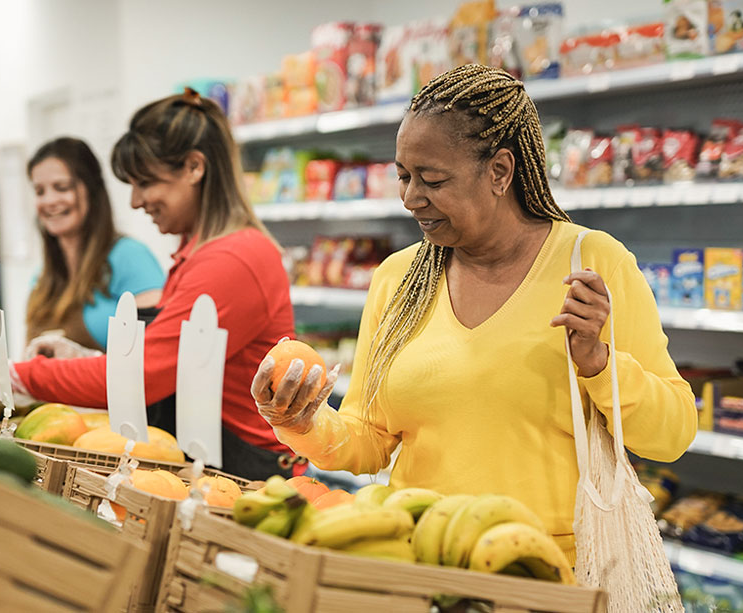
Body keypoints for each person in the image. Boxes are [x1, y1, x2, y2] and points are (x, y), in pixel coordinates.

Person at [251, 64, 698, 562]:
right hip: (415, 560)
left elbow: (673, 433)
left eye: (432, 180)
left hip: (546, 573)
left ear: (500, 172)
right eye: (403, 176)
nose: (410, 198)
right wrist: (300, 420)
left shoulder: (592, 263)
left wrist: (598, 362)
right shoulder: (398, 281)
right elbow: (369, 440)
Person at [0, 89, 299, 480]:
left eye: (146, 182)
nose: (135, 201)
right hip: (215, 464)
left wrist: (14, 377)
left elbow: (143, 377)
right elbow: (173, 362)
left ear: (194, 168)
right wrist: (82, 358)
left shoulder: (232, 259)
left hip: (248, 477)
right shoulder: (200, 254)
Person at [24, 137, 165, 355]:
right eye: (40, 191)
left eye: (62, 187)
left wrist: (83, 360)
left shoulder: (129, 257)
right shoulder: (41, 279)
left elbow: (157, 353)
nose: (49, 200)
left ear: (91, 190)